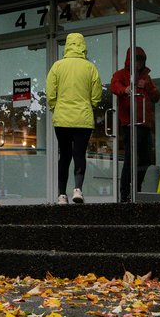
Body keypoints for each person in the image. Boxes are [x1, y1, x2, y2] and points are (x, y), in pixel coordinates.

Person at [45, 32, 102, 205]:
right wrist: (89, 106)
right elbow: (97, 95)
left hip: (62, 119)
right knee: (79, 154)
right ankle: (78, 189)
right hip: (83, 119)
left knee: (65, 155)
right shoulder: (90, 68)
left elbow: (50, 93)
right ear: (83, 46)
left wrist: (56, 108)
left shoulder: (57, 66)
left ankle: (61, 195)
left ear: (67, 45)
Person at [110, 46, 160, 202]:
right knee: (130, 159)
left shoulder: (146, 77)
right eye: (136, 60)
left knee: (145, 159)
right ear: (130, 60)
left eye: (141, 60)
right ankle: (125, 194)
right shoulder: (121, 74)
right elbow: (115, 86)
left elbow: (157, 96)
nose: (138, 63)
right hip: (131, 124)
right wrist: (125, 89)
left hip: (145, 123)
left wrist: (148, 88)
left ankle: (136, 189)